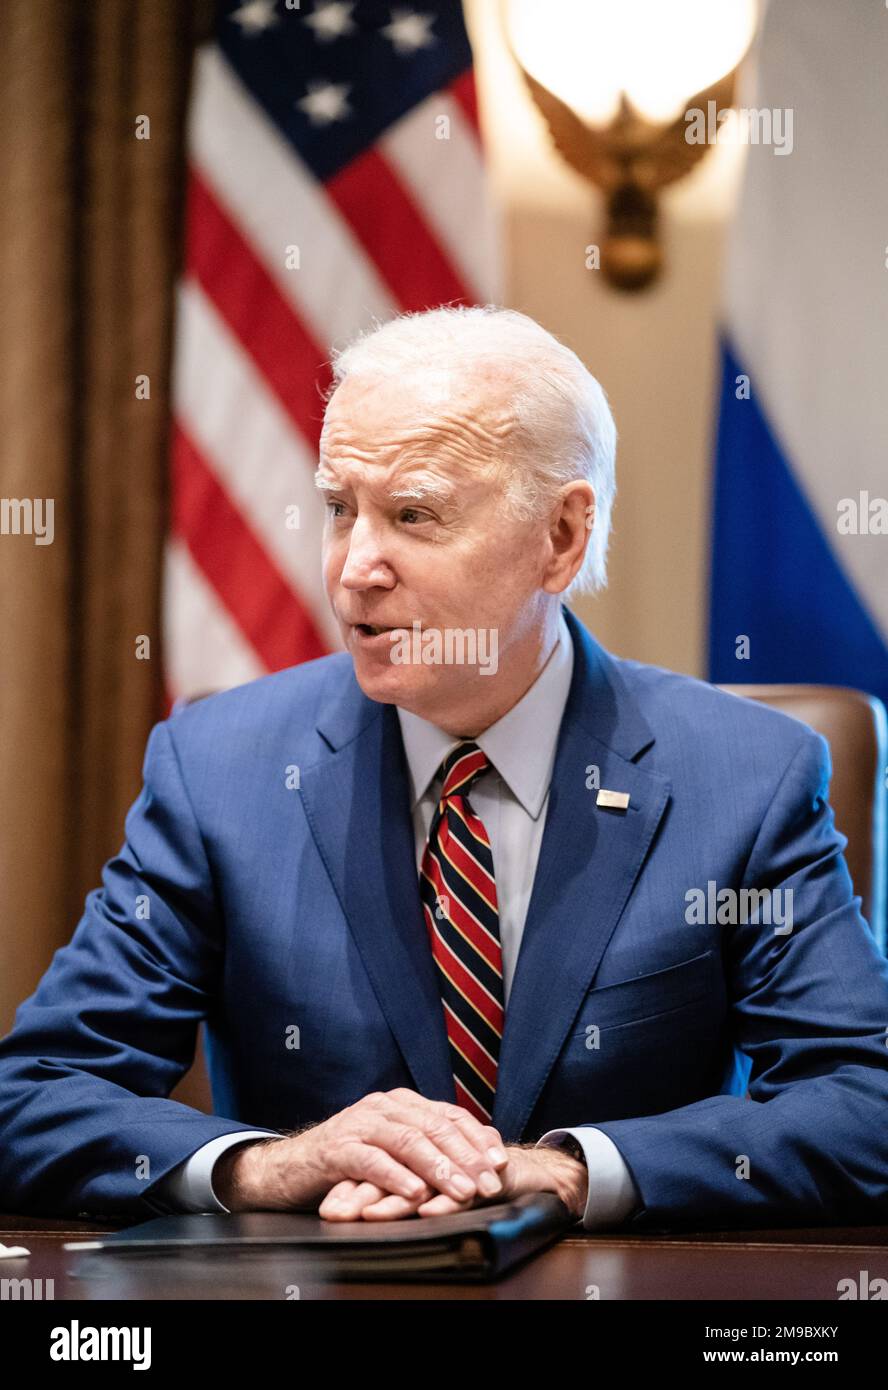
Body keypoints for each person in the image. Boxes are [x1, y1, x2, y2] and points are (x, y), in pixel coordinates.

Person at [2, 304, 887, 1232]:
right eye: (340, 509)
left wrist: (572, 1173)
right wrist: (272, 1164)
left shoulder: (746, 778)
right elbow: (34, 1097)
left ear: (561, 538)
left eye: (413, 515)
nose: (354, 569)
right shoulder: (220, 769)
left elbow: (863, 1107)